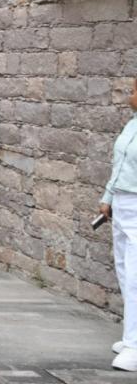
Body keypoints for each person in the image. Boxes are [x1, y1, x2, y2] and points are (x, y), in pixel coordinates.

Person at [102, 78, 137, 370]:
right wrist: (108, 196)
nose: (130, 97)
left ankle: (136, 346)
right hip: (123, 203)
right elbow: (120, 164)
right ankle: (131, 335)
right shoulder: (132, 124)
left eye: (135, 92)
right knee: (125, 271)